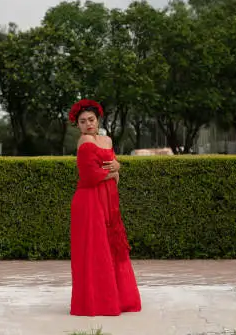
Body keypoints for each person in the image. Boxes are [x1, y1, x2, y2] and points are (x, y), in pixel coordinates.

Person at [68, 99, 142, 316]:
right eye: (83, 122)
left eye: (91, 120)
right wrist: (112, 171)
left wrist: (117, 167)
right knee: (96, 249)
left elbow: (114, 170)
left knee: (112, 247)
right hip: (89, 200)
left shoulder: (107, 140)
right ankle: (97, 301)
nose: (88, 124)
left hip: (109, 199)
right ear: (78, 125)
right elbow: (89, 176)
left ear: (98, 119)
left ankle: (117, 299)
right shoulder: (83, 142)